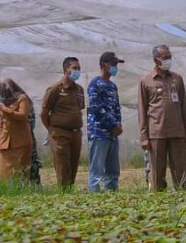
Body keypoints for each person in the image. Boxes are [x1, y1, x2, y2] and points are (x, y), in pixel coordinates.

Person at [137, 45, 186, 191]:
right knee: (157, 174)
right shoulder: (146, 81)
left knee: (181, 172)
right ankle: (158, 203)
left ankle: (185, 200)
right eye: (165, 57)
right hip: (156, 134)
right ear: (156, 60)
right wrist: (144, 136)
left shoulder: (177, 79)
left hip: (177, 133)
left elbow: (184, 107)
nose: (168, 60)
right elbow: (142, 110)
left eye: (170, 57)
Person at [41, 57, 85, 190]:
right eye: (74, 68)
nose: (77, 71)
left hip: (76, 133)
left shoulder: (79, 90)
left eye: (79, 68)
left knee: (73, 166)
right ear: (65, 70)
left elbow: (80, 109)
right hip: (59, 133)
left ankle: (69, 192)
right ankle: (63, 193)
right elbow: (44, 113)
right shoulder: (55, 89)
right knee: (63, 167)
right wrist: (51, 130)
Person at [87, 51, 124, 192]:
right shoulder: (95, 84)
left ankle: (112, 195)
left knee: (113, 171)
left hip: (112, 135)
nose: (115, 67)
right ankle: (94, 197)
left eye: (116, 64)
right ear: (104, 64)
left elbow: (116, 108)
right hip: (99, 133)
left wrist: (118, 125)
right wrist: (112, 125)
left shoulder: (112, 86)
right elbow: (96, 108)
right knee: (96, 171)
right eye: (113, 64)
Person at [0, 78, 33, 181]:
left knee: (20, 172)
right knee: (5, 175)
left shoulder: (22, 99)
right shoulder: (3, 103)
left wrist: (5, 109)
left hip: (20, 142)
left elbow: (23, 115)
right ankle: (8, 194)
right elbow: (1, 124)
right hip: (5, 144)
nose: (0, 96)